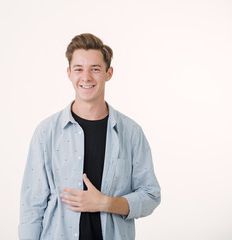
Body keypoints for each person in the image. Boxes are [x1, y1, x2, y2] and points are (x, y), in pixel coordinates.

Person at [18, 33, 161, 240]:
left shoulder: (131, 133)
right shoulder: (46, 132)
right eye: (78, 69)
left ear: (108, 73)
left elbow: (151, 195)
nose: (86, 77)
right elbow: (31, 207)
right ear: (69, 73)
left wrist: (105, 203)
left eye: (95, 69)